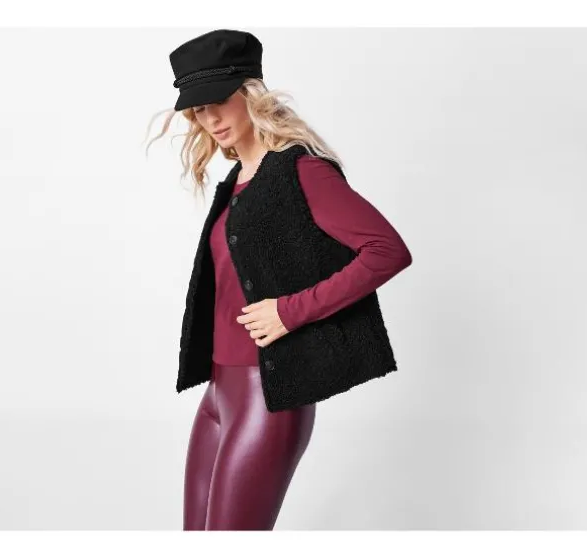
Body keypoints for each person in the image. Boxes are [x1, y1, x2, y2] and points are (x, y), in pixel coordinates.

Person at [145, 29, 413, 531]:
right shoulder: (235, 181)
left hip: (267, 396)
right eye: (199, 110)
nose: (211, 119)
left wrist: (290, 312)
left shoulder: (301, 170)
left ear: (250, 93)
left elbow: (386, 251)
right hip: (219, 394)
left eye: (219, 101)